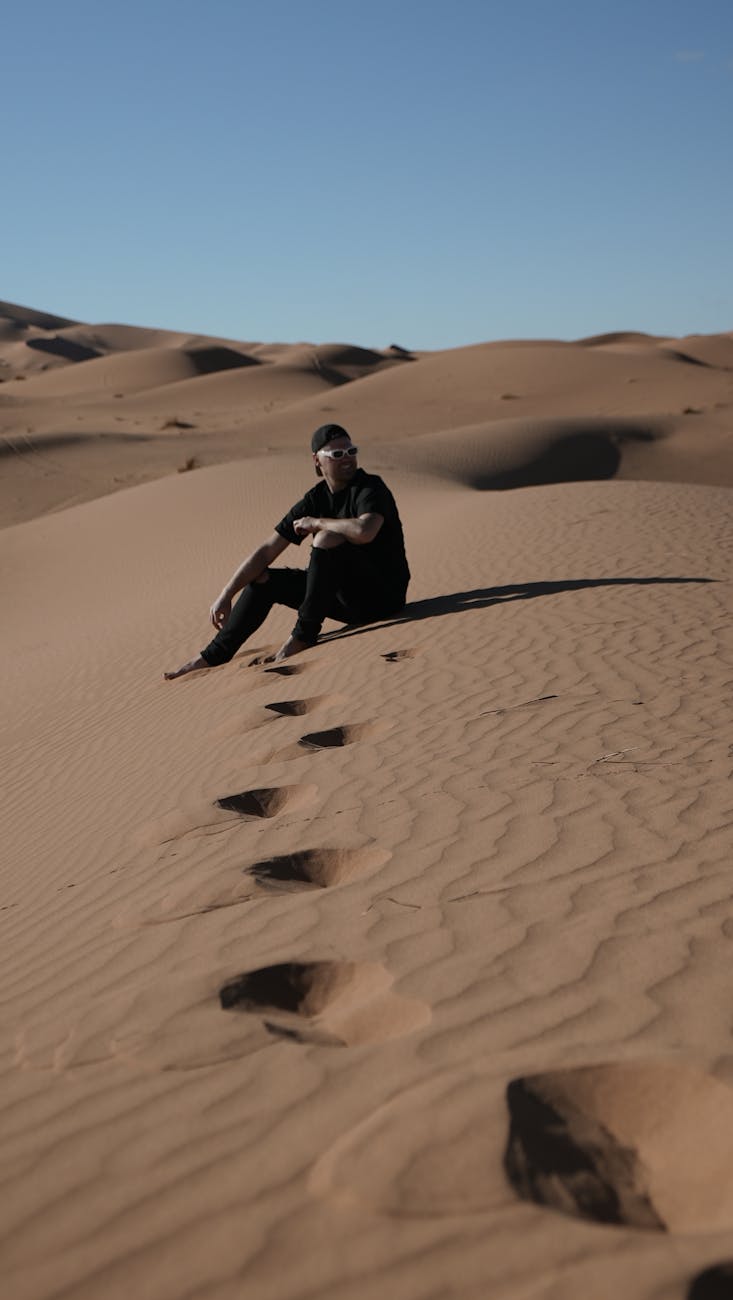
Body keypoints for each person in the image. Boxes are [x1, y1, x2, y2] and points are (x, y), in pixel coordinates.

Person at [164, 424, 410, 678]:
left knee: (325, 538)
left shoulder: (370, 488)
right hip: (344, 600)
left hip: (383, 598)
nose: (347, 458)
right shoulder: (315, 499)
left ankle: (303, 637)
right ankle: (213, 655)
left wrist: (316, 523)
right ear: (317, 461)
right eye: (336, 454)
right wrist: (227, 594)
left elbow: (364, 531)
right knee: (262, 579)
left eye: (351, 451)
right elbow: (267, 551)